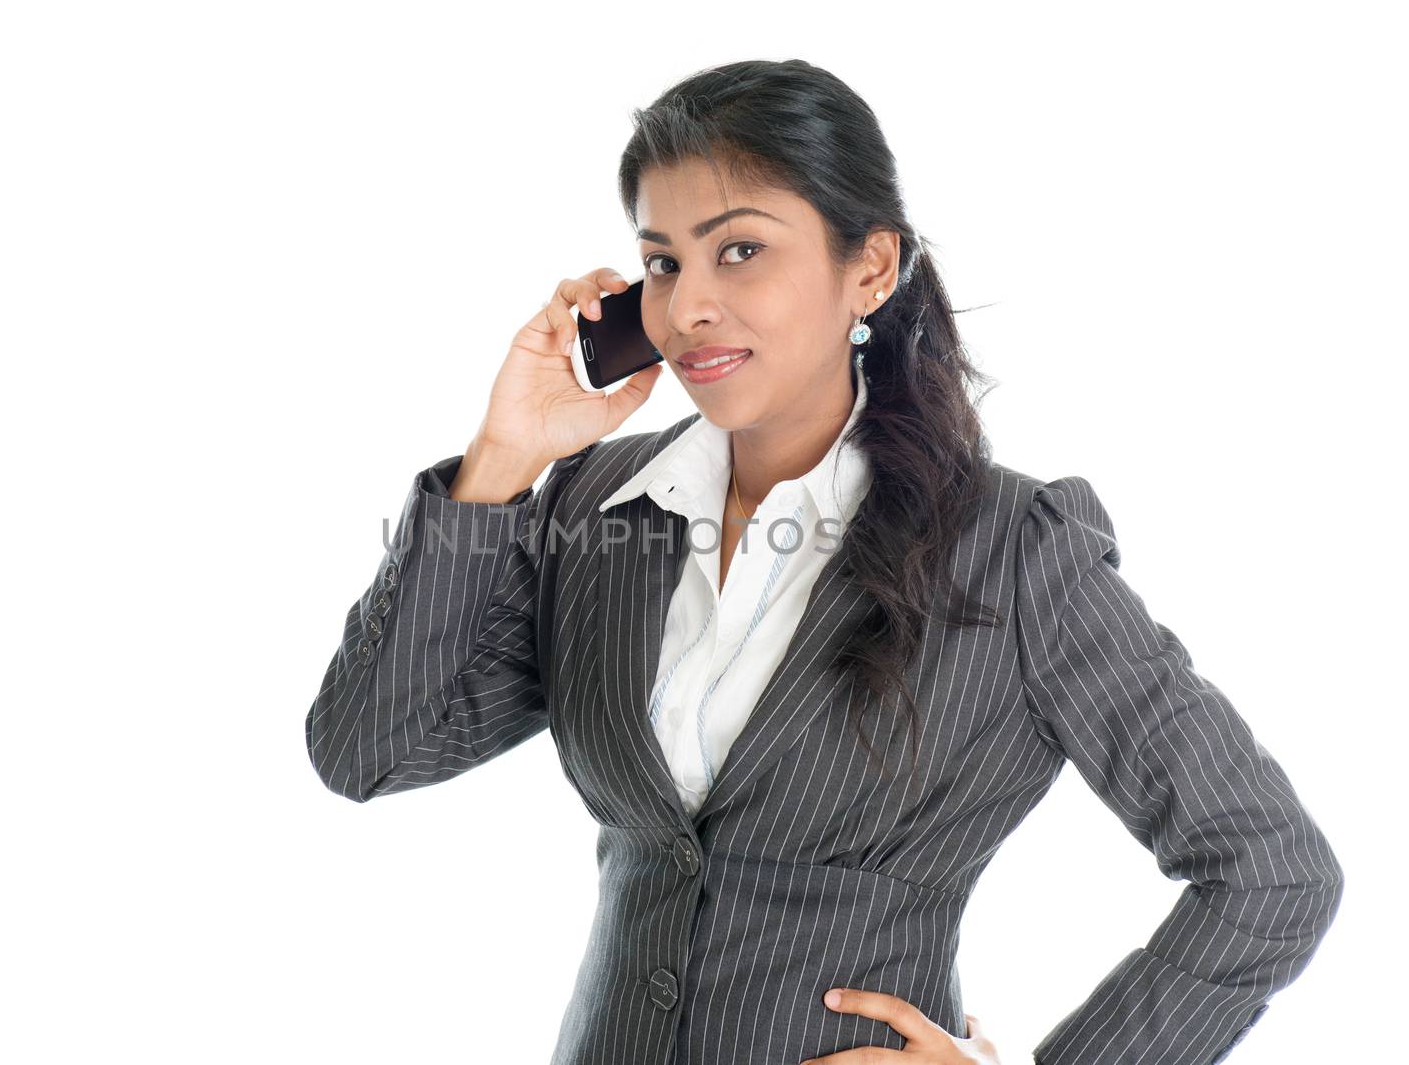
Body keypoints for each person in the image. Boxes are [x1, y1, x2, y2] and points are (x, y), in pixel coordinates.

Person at [305, 58, 1343, 1065]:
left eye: (740, 251)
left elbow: (1270, 871)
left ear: (872, 269)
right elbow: (368, 752)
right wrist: (502, 462)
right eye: (663, 262)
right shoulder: (596, 509)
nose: (689, 307)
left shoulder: (1013, 550)